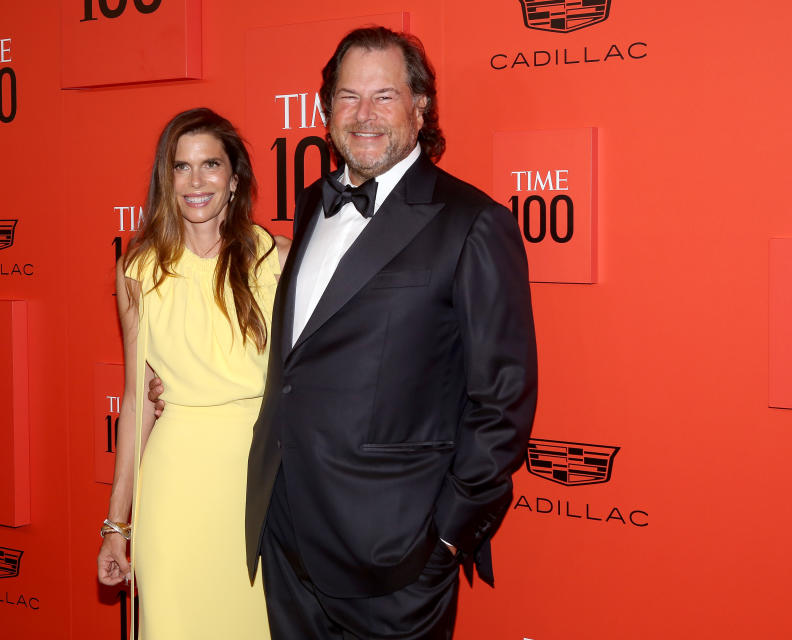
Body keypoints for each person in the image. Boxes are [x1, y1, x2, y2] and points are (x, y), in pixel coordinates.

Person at [245, 27, 538, 639]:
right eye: (348, 97)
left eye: (384, 96)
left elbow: (502, 402)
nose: (364, 115)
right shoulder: (308, 205)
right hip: (288, 542)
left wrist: (446, 538)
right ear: (326, 112)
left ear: (421, 105)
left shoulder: (474, 223)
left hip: (395, 559)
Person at [97, 107, 289, 640]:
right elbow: (137, 401)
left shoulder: (277, 260)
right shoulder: (137, 269)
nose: (197, 181)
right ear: (167, 179)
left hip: (258, 482)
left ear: (234, 179)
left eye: (211, 165)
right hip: (175, 483)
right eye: (181, 167)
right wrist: (117, 525)